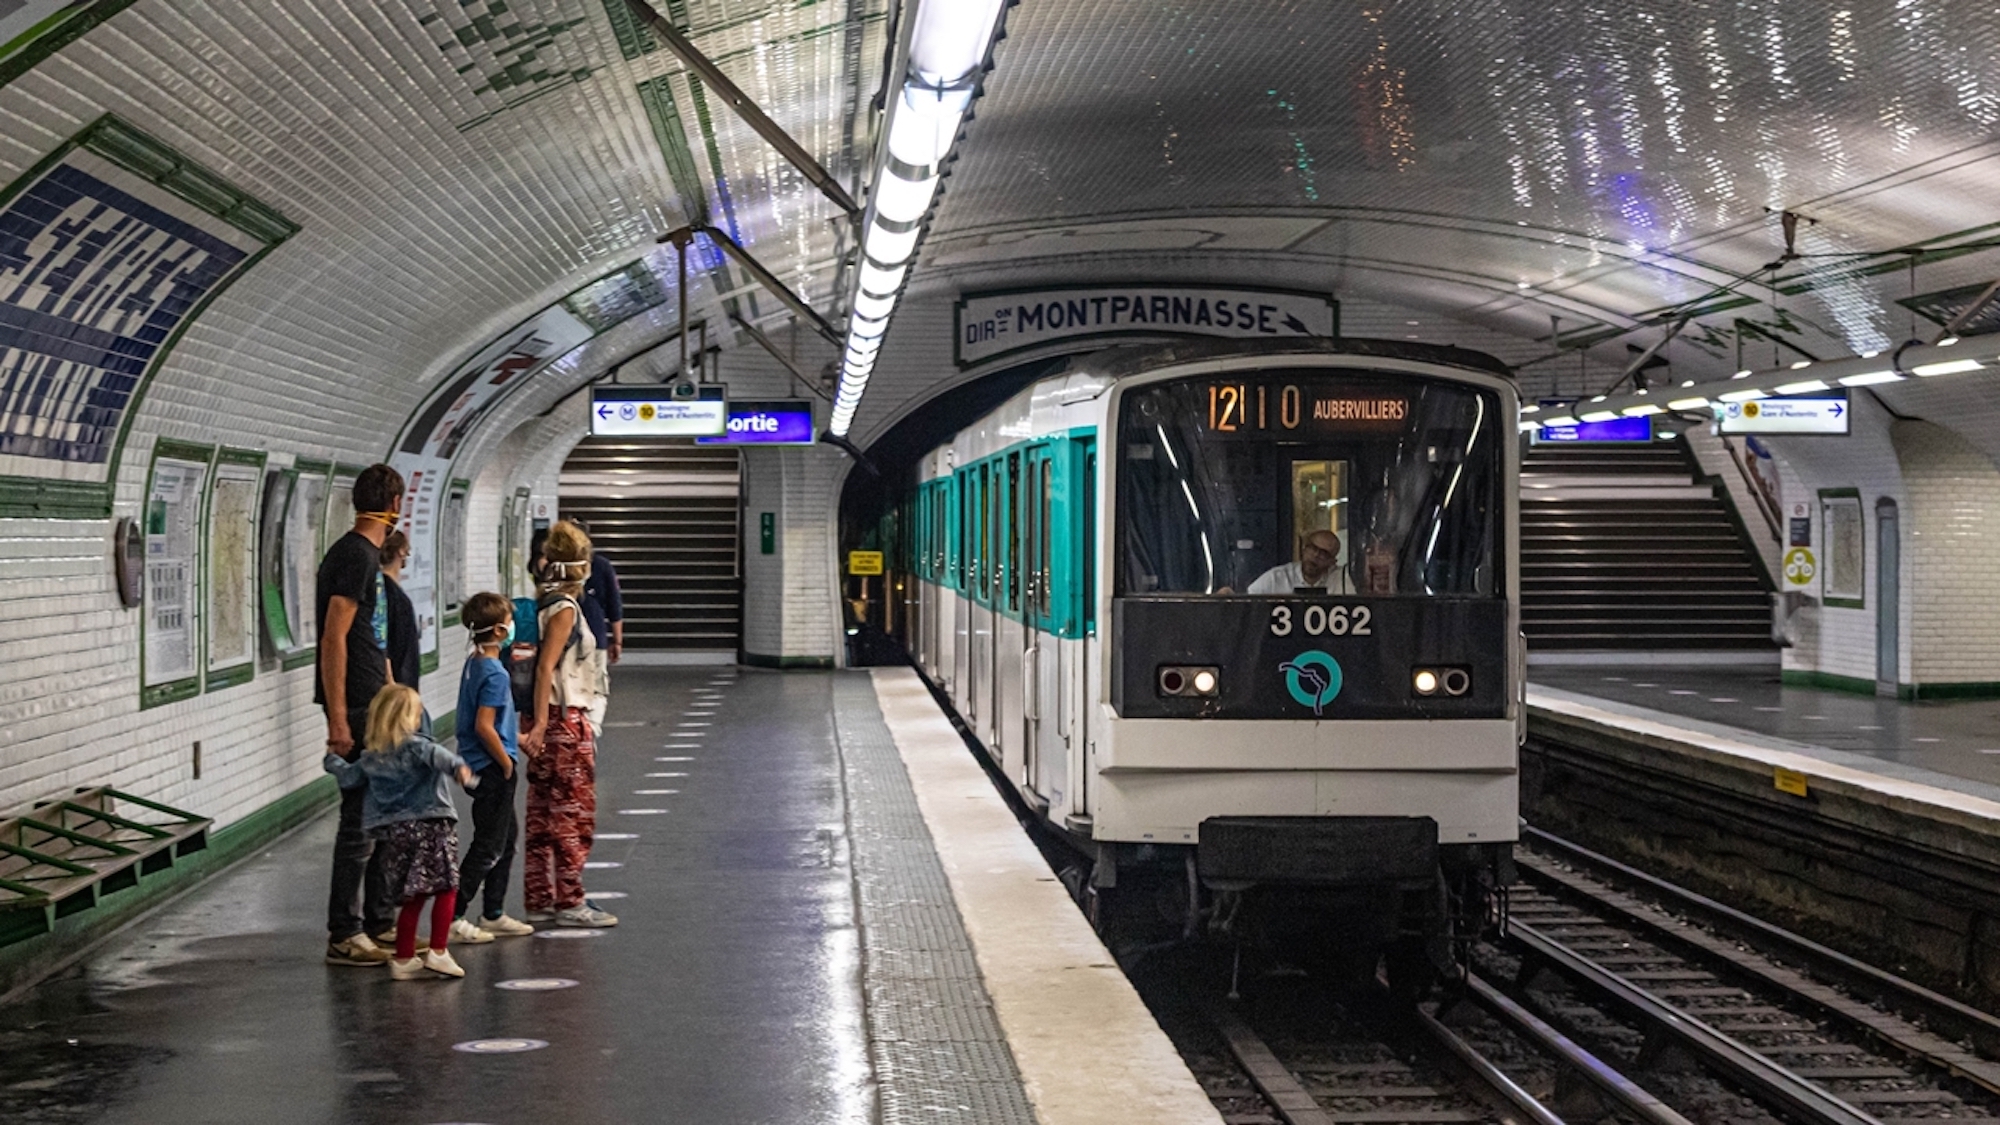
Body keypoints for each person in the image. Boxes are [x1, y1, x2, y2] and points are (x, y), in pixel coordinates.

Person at [323, 685, 476, 980]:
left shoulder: (371, 756)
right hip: (432, 824)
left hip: (395, 832)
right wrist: (462, 771)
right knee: (447, 888)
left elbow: (348, 776)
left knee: (412, 894)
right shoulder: (418, 746)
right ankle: (439, 951)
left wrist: (331, 758)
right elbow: (443, 759)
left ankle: (404, 957)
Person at [315, 463, 403, 966]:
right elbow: (334, 636)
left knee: (384, 816)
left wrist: (389, 685)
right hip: (357, 703)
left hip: (375, 697)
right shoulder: (354, 555)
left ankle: (379, 920)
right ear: (394, 503)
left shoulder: (366, 555)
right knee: (360, 822)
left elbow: (372, 633)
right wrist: (338, 719)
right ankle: (345, 931)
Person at [520, 521, 617, 928]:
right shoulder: (564, 610)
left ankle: (540, 893)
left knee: (542, 812)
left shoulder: (545, 603)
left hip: (549, 719)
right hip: (563, 719)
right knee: (571, 811)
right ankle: (571, 899)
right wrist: (544, 722)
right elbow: (547, 668)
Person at [450, 592, 535, 943]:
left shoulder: (474, 663)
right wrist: (506, 762)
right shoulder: (496, 674)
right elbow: (485, 726)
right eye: (510, 622)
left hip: (476, 761)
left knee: (507, 838)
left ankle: (494, 911)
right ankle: (454, 915)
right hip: (491, 767)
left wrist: (516, 741)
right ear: (500, 630)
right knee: (488, 844)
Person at [1247, 530, 1354, 595]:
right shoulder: (1277, 577)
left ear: (1332, 562)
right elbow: (1249, 599)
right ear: (1303, 549)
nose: (1315, 555)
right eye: (1312, 548)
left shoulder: (1341, 579)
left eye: (1323, 553)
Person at [380, 530, 421, 692]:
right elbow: (385, 637)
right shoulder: (390, 593)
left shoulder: (386, 588)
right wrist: (391, 680)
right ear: (401, 552)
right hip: (399, 677)